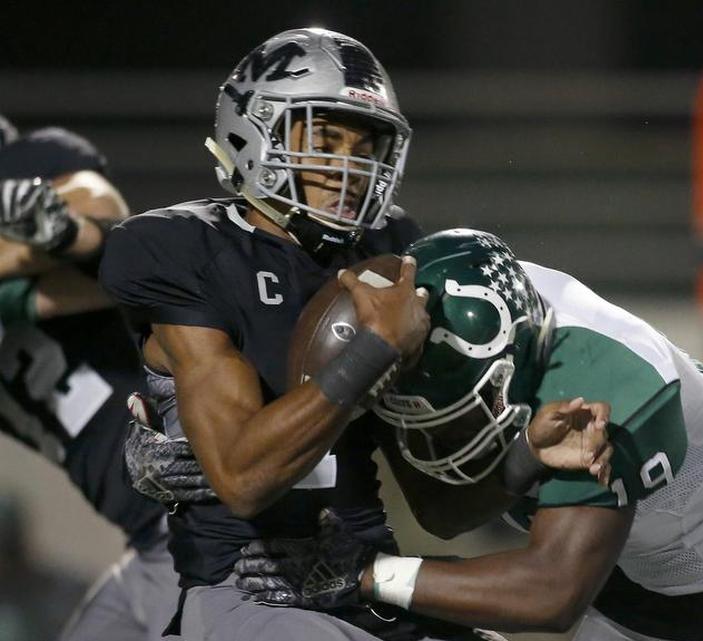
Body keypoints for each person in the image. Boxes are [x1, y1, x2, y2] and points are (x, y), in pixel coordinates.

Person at [100, 28, 608, 641]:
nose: (349, 166)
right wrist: (374, 350)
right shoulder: (188, 251)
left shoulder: (387, 251)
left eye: (364, 146)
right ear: (253, 131)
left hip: (359, 578)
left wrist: (525, 454)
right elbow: (243, 480)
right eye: (323, 139)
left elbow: (438, 508)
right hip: (252, 590)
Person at [232, 228, 703, 641]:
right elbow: (444, 512)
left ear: (511, 362)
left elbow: (550, 594)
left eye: (456, 411)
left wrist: (368, 573)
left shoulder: (604, 383)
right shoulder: (444, 330)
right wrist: (520, 460)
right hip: (631, 600)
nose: (440, 434)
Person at [0, 117, 179, 641]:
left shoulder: (22, 167)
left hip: (204, 511)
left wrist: (46, 250)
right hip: (151, 538)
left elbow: (101, 212)